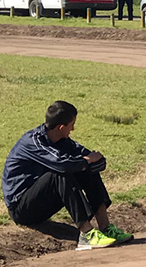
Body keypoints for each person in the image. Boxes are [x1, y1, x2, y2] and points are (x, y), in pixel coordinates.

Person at [3, 101, 133, 250]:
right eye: (72, 124)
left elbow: (88, 156)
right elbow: (61, 165)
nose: (73, 128)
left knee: (85, 169)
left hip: (42, 200)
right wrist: (88, 161)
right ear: (61, 127)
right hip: (22, 208)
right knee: (60, 173)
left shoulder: (62, 140)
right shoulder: (33, 142)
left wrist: (95, 162)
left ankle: (106, 228)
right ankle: (87, 235)